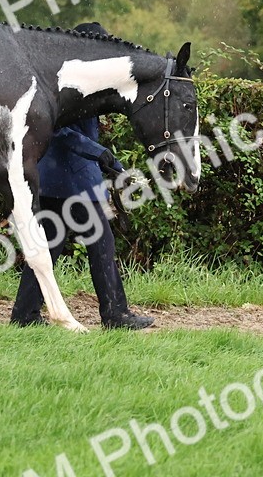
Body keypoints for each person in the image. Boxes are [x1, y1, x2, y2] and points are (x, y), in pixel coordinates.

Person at [10, 22, 155, 330]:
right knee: (101, 244)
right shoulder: (70, 83)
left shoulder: (72, 77)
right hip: (73, 179)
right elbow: (60, 130)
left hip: (59, 178)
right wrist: (100, 154)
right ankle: (115, 314)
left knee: (49, 244)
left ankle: (25, 314)